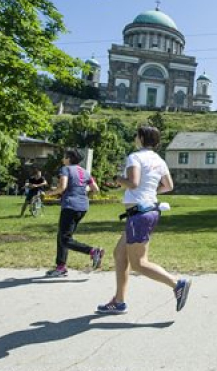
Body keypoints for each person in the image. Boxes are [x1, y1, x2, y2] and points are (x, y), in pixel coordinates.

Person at [97, 126, 191, 314]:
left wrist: (117, 179)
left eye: (136, 135)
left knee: (139, 263)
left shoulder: (135, 157)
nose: (134, 138)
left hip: (139, 215)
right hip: (146, 211)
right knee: (120, 254)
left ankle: (177, 284)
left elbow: (133, 183)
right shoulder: (158, 160)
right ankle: (119, 301)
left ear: (140, 138)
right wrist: (149, 193)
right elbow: (168, 186)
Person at [45, 148, 103, 277]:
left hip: (70, 206)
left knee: (65, 239)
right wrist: (82, 194)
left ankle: (93, 251)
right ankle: (60, 267)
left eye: (64, 157)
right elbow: (96, 189)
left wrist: (49, 193)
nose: (62, 159)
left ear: (69, 159)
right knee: (62, 236)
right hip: (82, 207)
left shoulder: (65, 169)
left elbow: (62, 187)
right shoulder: (85, 172)